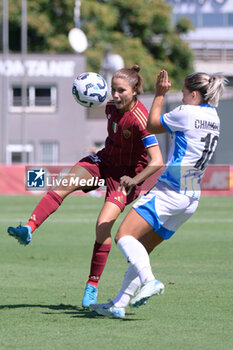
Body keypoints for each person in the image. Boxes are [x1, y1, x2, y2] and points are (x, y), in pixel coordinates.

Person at [7, 65, 163, 308]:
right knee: (63, 185)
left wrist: (134, 180)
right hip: (104, 163)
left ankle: (92, 285)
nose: (115, 95)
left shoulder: (141, 120)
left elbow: (157, 161)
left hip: (126, 178)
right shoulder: (111, 107)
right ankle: (28, 228)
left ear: (135, 91)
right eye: (113, 89)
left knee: (102, 227)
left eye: (121, 90)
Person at [90, 69, 228, 318]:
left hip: (170, 190)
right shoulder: (215, 117)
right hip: (191, 197)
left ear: (194, 95)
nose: (183, 98)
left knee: (123, 236)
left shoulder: (186, 113)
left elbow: (151, 124)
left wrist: (160, 95)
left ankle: (150, 281)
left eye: (184, 94)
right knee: (142, 247)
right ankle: (119, 304)